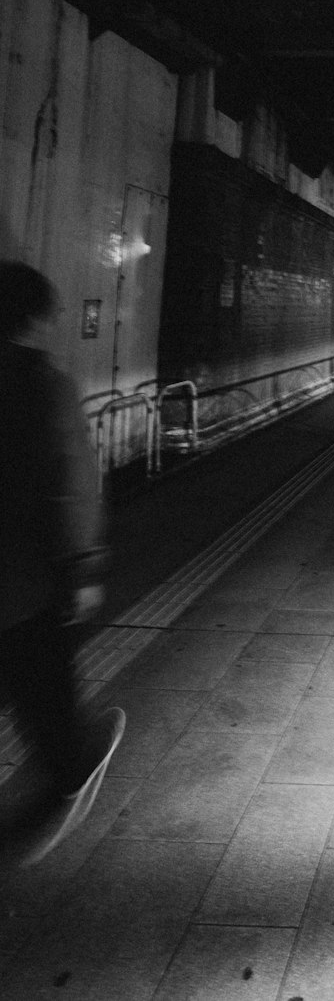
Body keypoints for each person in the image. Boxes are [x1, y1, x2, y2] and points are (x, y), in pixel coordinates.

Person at [0, 261, 125, 867]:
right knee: (43, 690)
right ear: (32, 318)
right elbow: (75, 484)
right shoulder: (43, 385)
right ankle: (69, 771)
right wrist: (84, 567)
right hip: (26, 579)